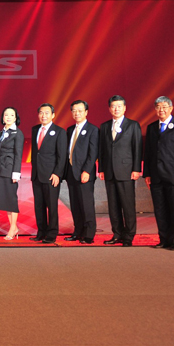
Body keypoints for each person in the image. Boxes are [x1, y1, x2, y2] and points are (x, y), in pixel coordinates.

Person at [143, 96, 174, 251]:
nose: (161, 110)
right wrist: (147, 173)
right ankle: (164, 239)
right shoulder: (152, 127)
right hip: (156, 176)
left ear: (171, 108)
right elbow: (148, 152)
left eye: (164, 107)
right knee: (160, 210)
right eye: (158, 107)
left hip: (173, 176)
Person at [98, 95, 143, 247]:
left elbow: (137, 148)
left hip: (126, 170)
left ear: (124, 108)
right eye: (113, 106)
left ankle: (129, 235)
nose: (116, 109)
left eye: (119, 106)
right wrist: (102, 168)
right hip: (109, 171)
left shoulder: (133, 125)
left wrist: (136, 169)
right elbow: (102, 149)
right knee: (113, 206)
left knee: (127, 205)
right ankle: (117, 234)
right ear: (109, 108)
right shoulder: (105, 126)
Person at [29, 103, 67, 244]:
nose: (43, 115)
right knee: (39, 206)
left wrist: (57, 173)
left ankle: (51, 234)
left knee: (51, 206)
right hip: (37, 174)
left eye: (46, 113)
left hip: (51, 175)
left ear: (53, 115)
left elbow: (62, 155)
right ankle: (41, 232)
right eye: (41, 113)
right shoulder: (35, 130)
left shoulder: (59, 131)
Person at [63, 100, 99, 244]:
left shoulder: (92, 129)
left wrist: (86, 171)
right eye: (74, 111)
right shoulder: (70, 129)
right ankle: (78, 232)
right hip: (71, 172)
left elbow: (93, 153)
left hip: (85, 173)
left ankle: (89, 234)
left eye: (80, 110)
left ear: (86, 112)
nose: (77, 113)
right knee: (75, 205)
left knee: (86, 204)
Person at [0, 107, 24, 240]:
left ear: (16, 118)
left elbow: (18, 154)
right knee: (6, 200)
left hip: (11, 169)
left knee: (11, 199)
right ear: (3, 117)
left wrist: (16, 172)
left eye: (12, 115)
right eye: (6, 115)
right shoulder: (2, 132)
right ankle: (13, 226)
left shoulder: (18, 133)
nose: (8, 117)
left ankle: (13, 228)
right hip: (2, 169)